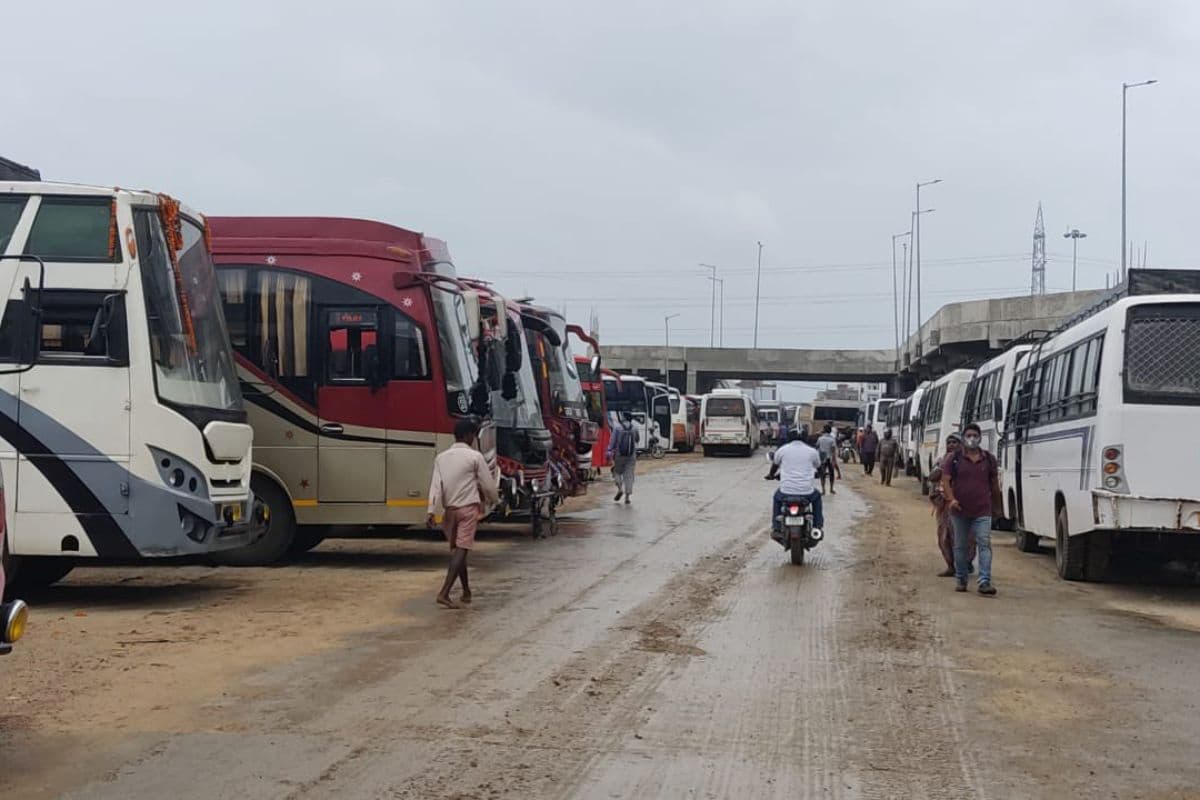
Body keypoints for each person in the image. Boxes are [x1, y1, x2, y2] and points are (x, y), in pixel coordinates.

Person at [427, 417, 499, 609]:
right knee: (462, 549)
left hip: (449, 511)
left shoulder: (441, 458)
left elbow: (436, 486)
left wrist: (431, 511)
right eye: (474, 435)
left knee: (459, 552)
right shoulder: (475, 457)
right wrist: (495, 501)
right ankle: (444, 593)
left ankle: (466, 591)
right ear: (469, 436)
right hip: (468, 508)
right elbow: (488, 484)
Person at [940, 422, 1002, 596]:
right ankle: (961, 578)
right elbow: (946, 481)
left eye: (975, 435)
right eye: (969, 436)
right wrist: (951, 500)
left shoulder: (989, 459)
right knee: (960, 546)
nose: (972, 439)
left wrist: (998, 507)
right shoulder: (954, 458)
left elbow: (994, 485)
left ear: (980, 438)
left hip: (982, 510)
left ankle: (984, 581)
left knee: (984, 543)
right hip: (959, 511)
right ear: (964, 438)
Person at [928, 433, 975, 576]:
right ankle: (950, 566)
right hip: (944, 506)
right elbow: (932, 477)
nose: (952, 445)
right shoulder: (941, 461)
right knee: (944, 537)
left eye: (955, 442)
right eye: (949, 442)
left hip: (963, 505)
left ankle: (966, 563)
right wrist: (944, 466)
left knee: (965, 537)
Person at [766, 429, 824, 544]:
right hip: (807, 493)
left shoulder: (782, 450)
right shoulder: (812, 451)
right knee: (817, 497)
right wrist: (820, 474)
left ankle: (776, 527)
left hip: (785, 492)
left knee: (776, 497)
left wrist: (771, 475)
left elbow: (774, 467)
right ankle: (817, 526)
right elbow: (820, 469)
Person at [608, 412, 639, 505]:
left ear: (624, 418)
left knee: (616, 472)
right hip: (631, 455)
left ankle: (620, 489)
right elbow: (637, 440)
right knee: (629, 475)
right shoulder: (635, 428)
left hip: (619, 455)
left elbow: (612, 442)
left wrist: (609, 451)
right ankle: (627, 497)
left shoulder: (617, 428)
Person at [816, 424, 838, 495]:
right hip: (830, 458)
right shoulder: (832, 439)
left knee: (822, 474)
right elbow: (833, 450)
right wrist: (834, 460)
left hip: (822, 458)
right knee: (832, 474)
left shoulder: (820, 438)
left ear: (824, 430)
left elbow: (817, 446)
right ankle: (831, 489)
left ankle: (823, 490)